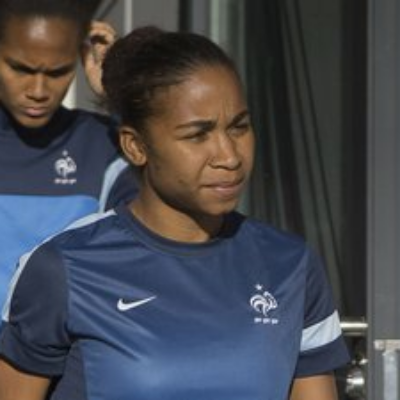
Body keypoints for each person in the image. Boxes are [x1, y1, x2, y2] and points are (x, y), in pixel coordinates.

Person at [0, 26, 349, 400]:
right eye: (198, 135)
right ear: (135, 147)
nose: (229, 156)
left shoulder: (290, 265)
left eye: (239, 127)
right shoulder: (63, 268)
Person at [0, 0, 138, 311]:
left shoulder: (104, 145)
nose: (38, 90)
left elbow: (170, 207)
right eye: (21, 69)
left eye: (58, 72)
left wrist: (118, 97)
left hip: (66, 342)